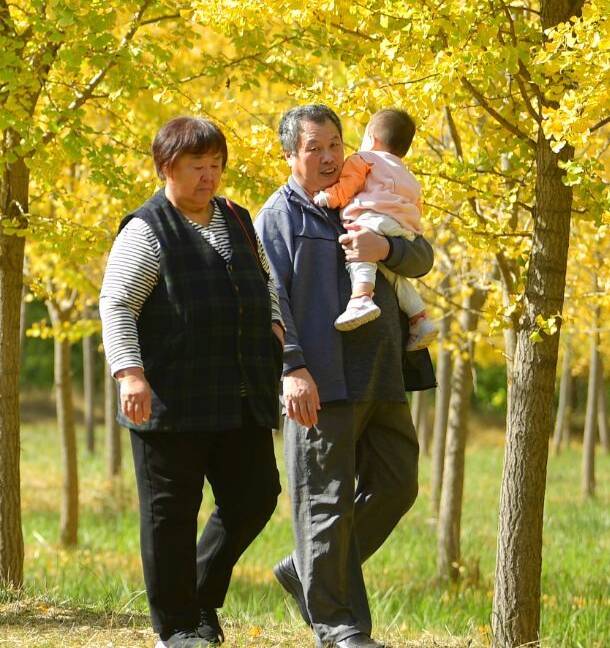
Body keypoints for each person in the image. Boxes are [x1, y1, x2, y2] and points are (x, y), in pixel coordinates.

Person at [100, 116, 284, 648]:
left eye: (216, 166)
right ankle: (177, 627)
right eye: (196, 166)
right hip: (169, 397)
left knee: (255, 496)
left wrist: (272, 322)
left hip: (240, 394)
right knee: (170, 516)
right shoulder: (146, 229)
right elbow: (117, 305)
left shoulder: (236, 218)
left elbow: (264, 278)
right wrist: (129, 373)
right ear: (166, 169)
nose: (209, 177)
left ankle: (200, 595)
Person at [257, 104, 437, 648]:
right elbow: (270, 300)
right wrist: (292, 368)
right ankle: (340, 628)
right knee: (324, 503)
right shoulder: (279, 215)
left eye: (336, 144)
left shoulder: (364, 187)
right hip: (321, 382)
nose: (332, 157)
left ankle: (306, 570)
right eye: (316, 149)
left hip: (383, 374)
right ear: (290, 156)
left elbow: (421, 254)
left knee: (397, 483)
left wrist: (388, 249)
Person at [313, 107, 440, 348]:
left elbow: (349, 185)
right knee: (393, 277)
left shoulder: (364, 158)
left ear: (372, 139)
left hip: (372, 220)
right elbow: (417, 205)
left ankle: (361, 298)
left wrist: (328, 198)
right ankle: (419, 318)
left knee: (360, 256)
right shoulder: (407, 174)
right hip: (404, 228)